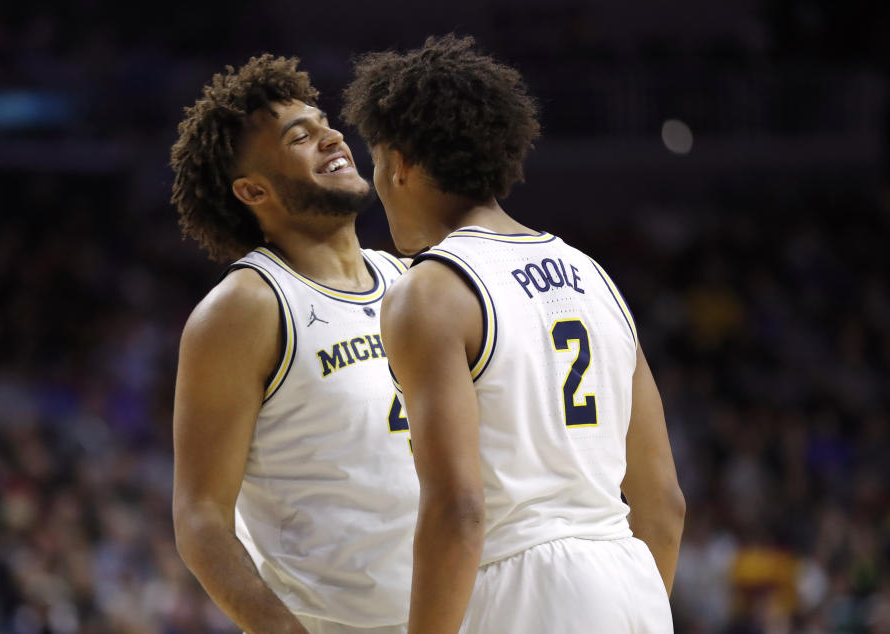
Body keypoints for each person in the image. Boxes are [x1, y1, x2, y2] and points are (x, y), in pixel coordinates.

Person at [342, 35, 686, 633]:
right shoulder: (593, 275)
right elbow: (664, 505)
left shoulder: (431, 290)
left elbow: (459, 511)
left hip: (526, 593)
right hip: (633, 584)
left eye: (374, 161)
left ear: (398, 162)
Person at [169, 55, 418, 634]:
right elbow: (200, 517)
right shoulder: (246, 308)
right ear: (253, 189)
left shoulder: (413, 282)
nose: (332, 136)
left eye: (324, 122)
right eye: (299, 137)